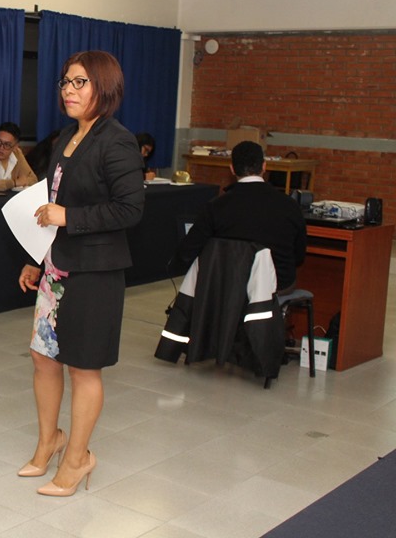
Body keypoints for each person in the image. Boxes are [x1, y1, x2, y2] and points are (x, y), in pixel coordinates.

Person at [17, 50, 145, 496]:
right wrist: (37, 257)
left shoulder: (117, 141)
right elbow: (50, 206)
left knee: (83, 368)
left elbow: (130, 209)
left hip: (95, 270)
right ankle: (48, 441)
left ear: (104, 88)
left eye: (80, 83)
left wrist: (69, 217)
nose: (68, 91)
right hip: (57, 266)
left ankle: (78, 459)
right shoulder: (66, 138)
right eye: (66, 82)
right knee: (43, 357)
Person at [174, 140, 306, 292]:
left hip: (229, 288)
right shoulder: (290, 205)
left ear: (232, 169)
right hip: (277, 287)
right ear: (264, 166)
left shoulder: (216, 207)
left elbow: (186, 252)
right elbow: (298, 257)